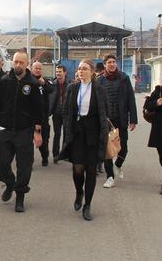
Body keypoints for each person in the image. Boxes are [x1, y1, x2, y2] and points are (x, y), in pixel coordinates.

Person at [0, 51, 43, 213]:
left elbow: (38, 110)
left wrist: (37, 132)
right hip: (5, 129)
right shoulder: (4, 81)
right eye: (16, 62)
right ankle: (10, 183)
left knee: (25, 166)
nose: (18, 65)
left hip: (24, 131)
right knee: (0, 162)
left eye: (21, 63)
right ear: (12, 62)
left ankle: (20, 197)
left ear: (27, 64)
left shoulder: (32, 83)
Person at [60, 59, 108, 221]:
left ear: (92, 72)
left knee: (92, 171)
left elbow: (104, 112)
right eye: (79, 69)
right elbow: (66, 111)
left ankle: (88, 204)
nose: (81, 71)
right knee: (78, 170)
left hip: (93, 133)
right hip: (78, 133)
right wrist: (67, 130)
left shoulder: (99, 89)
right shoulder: (72, 88)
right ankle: (79, 191)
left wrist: (104, 134)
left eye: (85, 69)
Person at [97, 54, 138, 188]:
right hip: (106, 120)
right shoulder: (99, 81)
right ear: (105, 65)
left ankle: (118, 165)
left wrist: (133, 119)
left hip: (121, 119)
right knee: (108, 150)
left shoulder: (124, 78)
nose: (112, 64)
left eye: (114, 62)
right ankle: (110, 177)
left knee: (123, 148)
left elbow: (131, 100)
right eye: (109, 62)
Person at [31, 61, 55, 166]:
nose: (38, 70)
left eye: (39, 68)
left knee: (44, 141)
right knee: (26, 142)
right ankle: (28, 162)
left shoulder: (46, 81)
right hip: (29, 117)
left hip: (42, 117)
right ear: (32, 69)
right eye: (36, 68)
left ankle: (44, 156)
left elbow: (51, 89)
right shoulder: (27, 80)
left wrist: (43, 84)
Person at [49, 65, 68, 164]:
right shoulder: (53, 84)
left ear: (65, 73)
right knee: (57, 134)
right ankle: (55, 155)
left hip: (66, 113)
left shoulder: (70, 84)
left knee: (66, 134)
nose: (58, 73)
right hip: (56, 113)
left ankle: (64, 154)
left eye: (60, 71)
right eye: (57, 72)